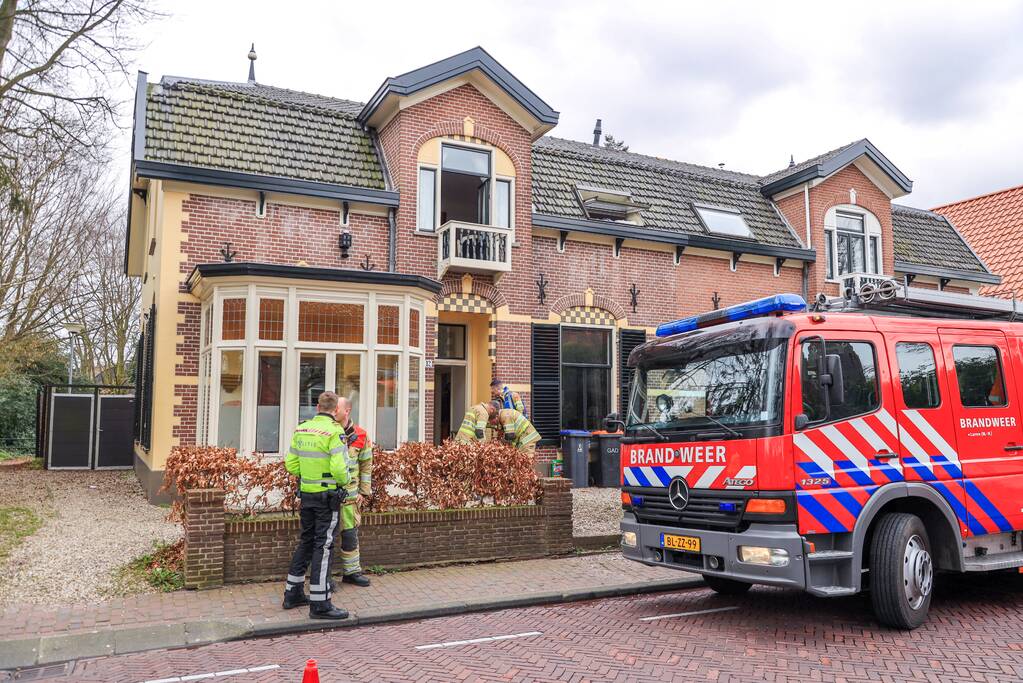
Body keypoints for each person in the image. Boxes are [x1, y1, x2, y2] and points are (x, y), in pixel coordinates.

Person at [282, 391, 351, 620]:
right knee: (324, 546)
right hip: (326, 497)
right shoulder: (334, 431)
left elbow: (291, 464)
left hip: (307, 495)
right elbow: (340, 469)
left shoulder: (302, 429)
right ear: (335, 410)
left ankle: (292, 593)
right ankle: (320, 603)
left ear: (317, 407)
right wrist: (344, 482)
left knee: (306, 541)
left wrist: (308, 475)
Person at [337, 397, 372, 587]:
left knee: (350, 536)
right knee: (324, 539)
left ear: (347, 410)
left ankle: (351, 572)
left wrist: (363, 492)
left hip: (350, 498)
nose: (333, 411)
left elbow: (366, 465)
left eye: (337, 408)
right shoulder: (328, 432)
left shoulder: (360, 435)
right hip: (328, 495)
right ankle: (323, 578)